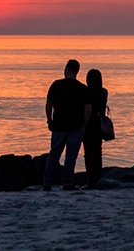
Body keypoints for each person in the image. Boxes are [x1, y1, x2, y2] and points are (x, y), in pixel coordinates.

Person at [43, 59, 91, 191]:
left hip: (58, 125)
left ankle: (47, 183)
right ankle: (67, 183)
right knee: (71, 156)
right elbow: (88, 110)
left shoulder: (56, 85)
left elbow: (48, 105)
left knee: (54, 155)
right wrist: (84, 124)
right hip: (76, 126)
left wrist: (49, 120)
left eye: (65, 68)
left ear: (68, 69)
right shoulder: (82, 88)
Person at [82, 68, 109, 188]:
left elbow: (87, 109)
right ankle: (98, 176)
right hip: (99, 125)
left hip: (89, 124)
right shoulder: (103, 92)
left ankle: (90, 178)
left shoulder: (86, 92)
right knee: (98, 152)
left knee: (88, 153)